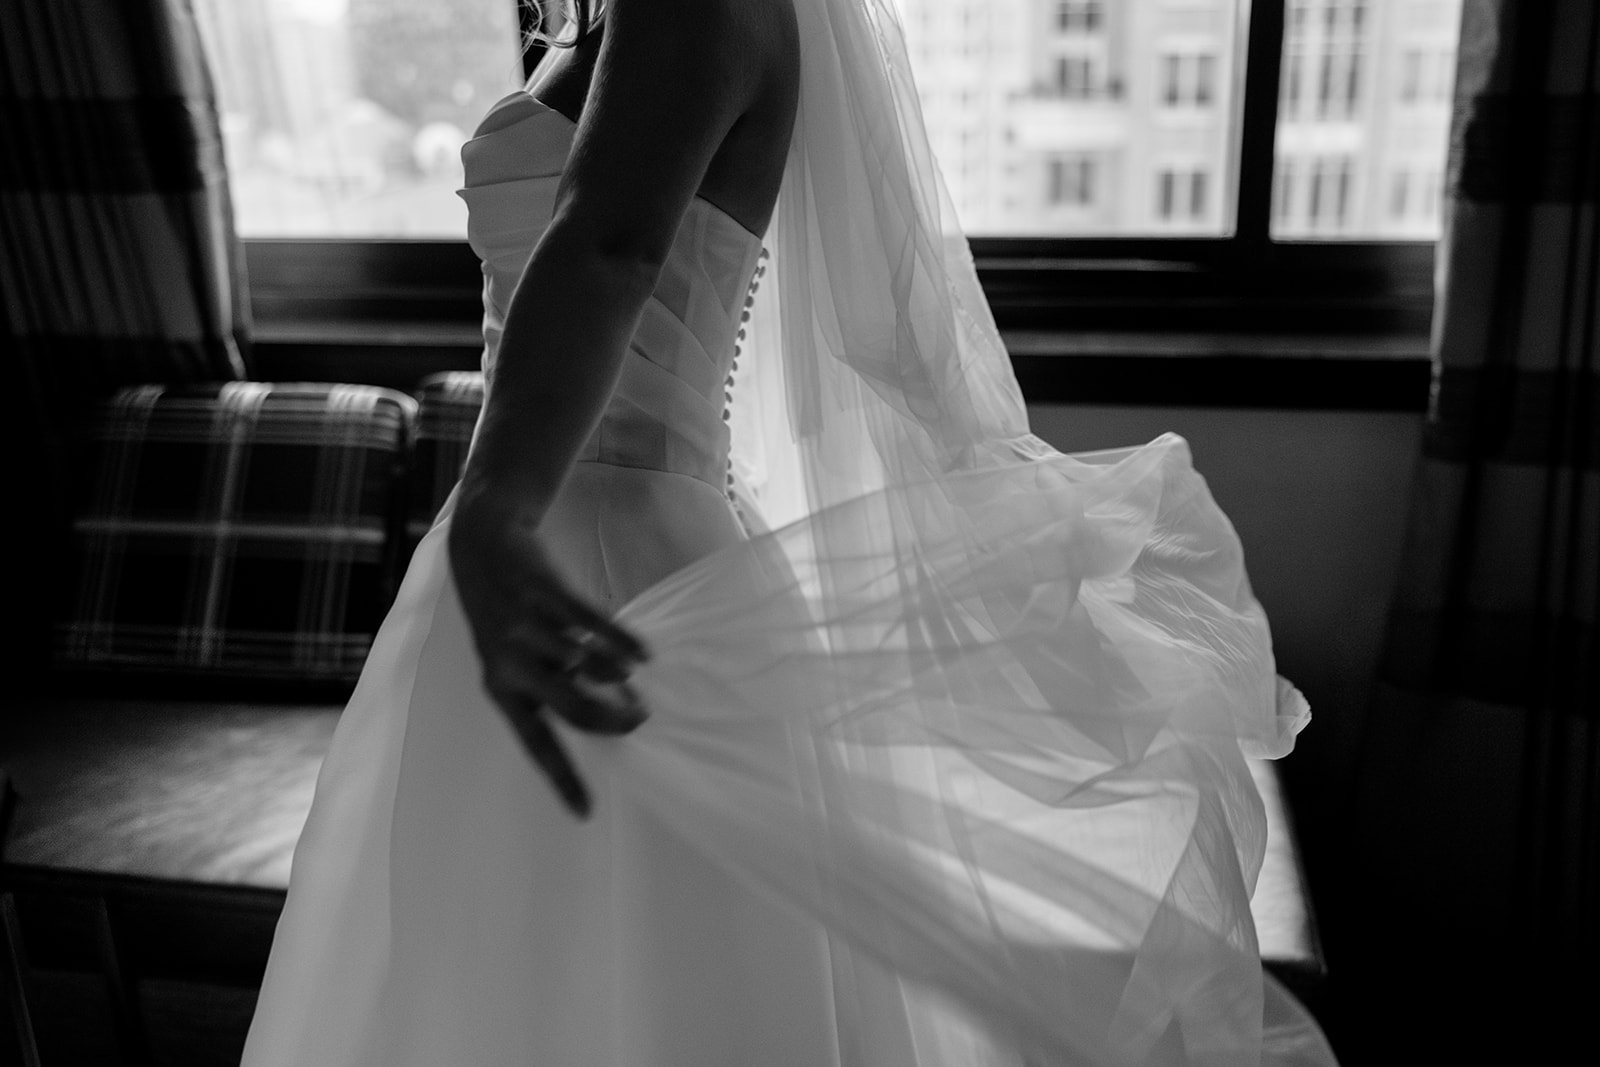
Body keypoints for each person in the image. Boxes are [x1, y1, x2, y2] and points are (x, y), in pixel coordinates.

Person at [242, 0, 1339, 1064]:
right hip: (564, 532)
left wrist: (494, 505)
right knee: (489, 954)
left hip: (600, 549)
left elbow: (612, 245)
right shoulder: (616, 21)